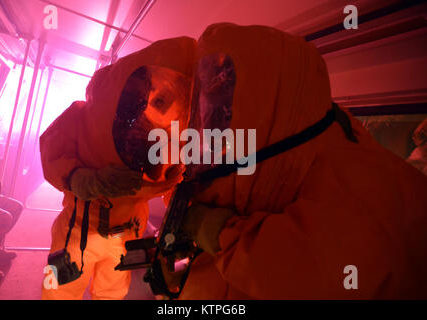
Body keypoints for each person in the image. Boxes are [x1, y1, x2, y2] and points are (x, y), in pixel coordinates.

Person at [161, 23, 427, 299]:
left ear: (267, 112)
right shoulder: (309, 147)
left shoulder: (364, 188)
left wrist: (214, 233)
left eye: (224, 118)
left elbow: (302, 273)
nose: (210, 136)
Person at [40, 36, 196, 300]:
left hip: (127, 236)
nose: (152, 104)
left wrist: (184, 214)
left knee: (113, 291)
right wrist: (81, 179)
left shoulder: (169, 136)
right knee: (58, 288)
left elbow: (175, 177)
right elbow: (53, 149)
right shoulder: (82, 116)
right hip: (76, 229)